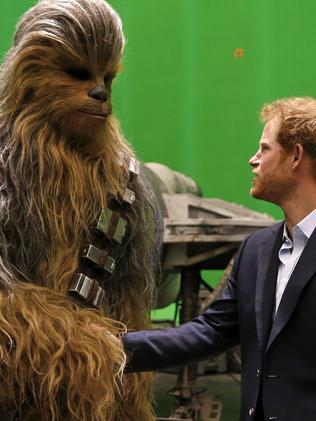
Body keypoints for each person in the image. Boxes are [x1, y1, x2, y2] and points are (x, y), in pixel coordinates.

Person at [123, 97, 316, 421]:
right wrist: (112, 348)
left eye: (264, 149)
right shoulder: (256, 250)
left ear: (295, 156)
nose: (253, 160)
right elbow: (210, 331)